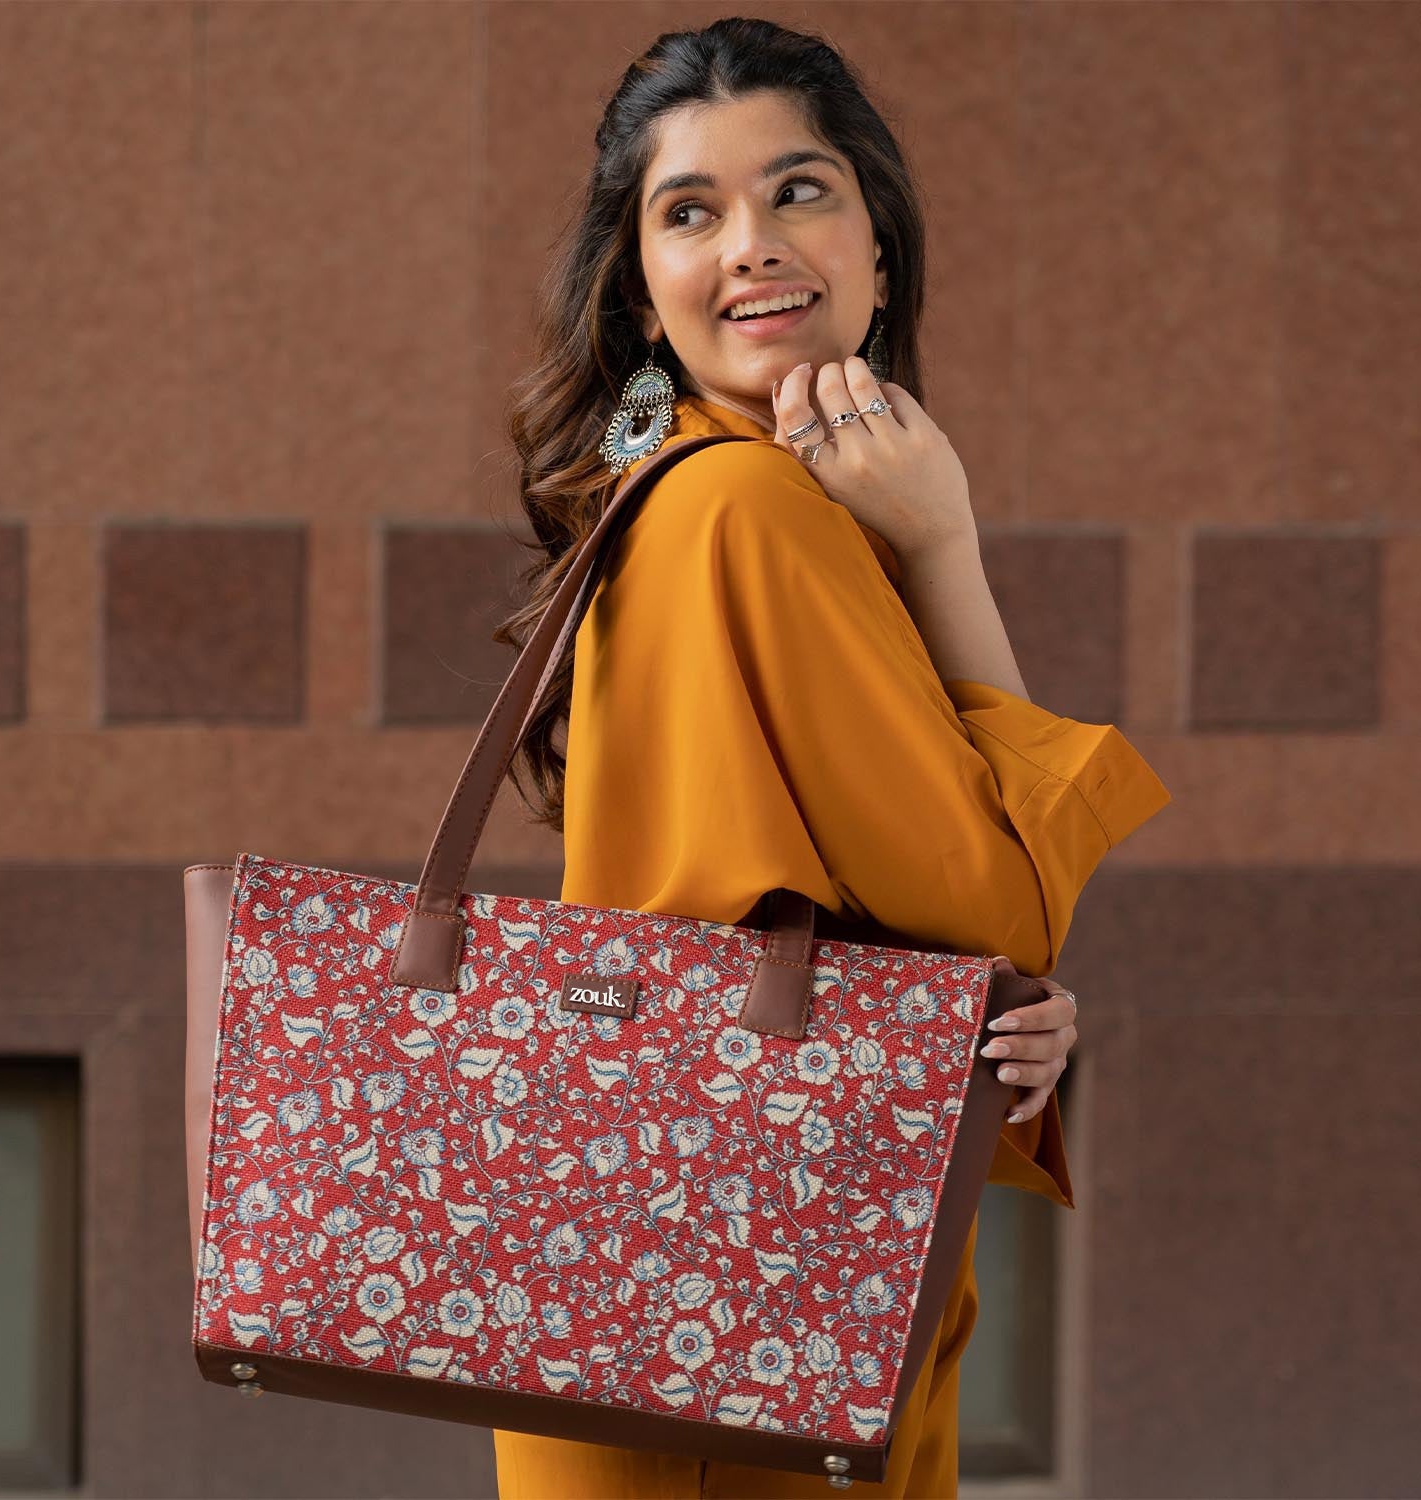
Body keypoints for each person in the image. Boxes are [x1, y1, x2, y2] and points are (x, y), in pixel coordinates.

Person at [489, 16, 1171, 1499]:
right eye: (692, 211)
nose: (752, 244)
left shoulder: (661, 491)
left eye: (798, 191)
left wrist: (999, 1008)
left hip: (677, 1273)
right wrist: (949, 543)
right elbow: (995, 899)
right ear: (642, 283)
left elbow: (913, 921)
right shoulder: (750, 512)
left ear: (878, 242)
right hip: (756, 1297)